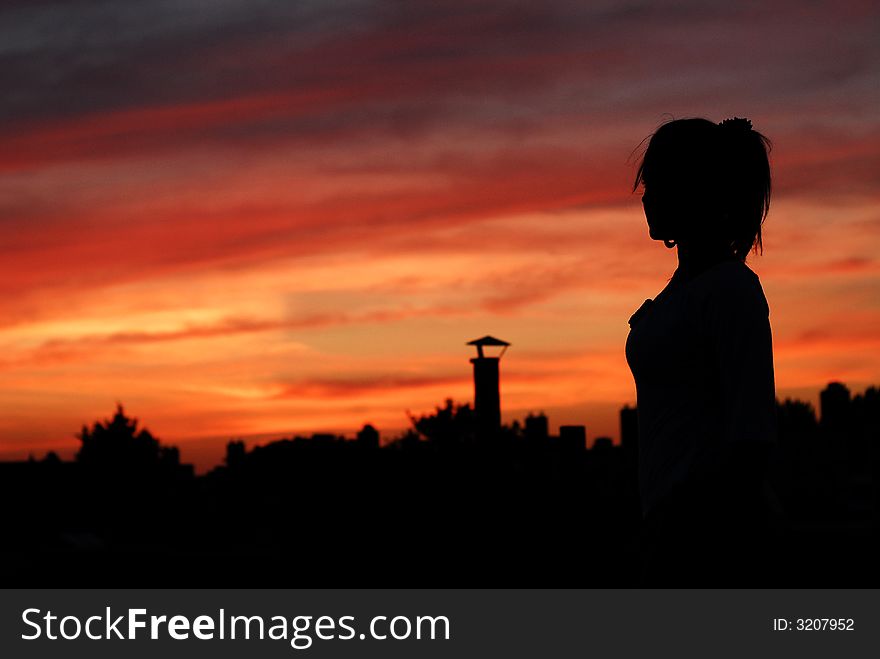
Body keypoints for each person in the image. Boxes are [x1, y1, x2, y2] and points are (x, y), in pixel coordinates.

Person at [625, 117, 782, 585]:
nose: (647, 197)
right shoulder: (684, 290)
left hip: (703, 542)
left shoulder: (731, 290)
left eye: (657, 184)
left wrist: (691, 532)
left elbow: (750, 437)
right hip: (667, 527)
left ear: (692, 191)